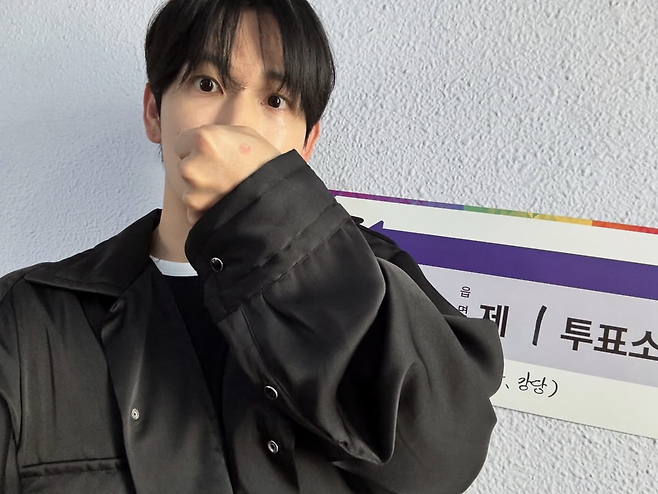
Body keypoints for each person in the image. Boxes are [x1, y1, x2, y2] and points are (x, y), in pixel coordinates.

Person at [0, 0, 503, 492]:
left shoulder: (379, 282)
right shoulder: (29, 314)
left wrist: (265, 215)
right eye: (207, 84)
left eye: (276, 100)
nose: (236, 123)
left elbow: (440, 459)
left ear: (307, 144)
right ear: (154, 112)